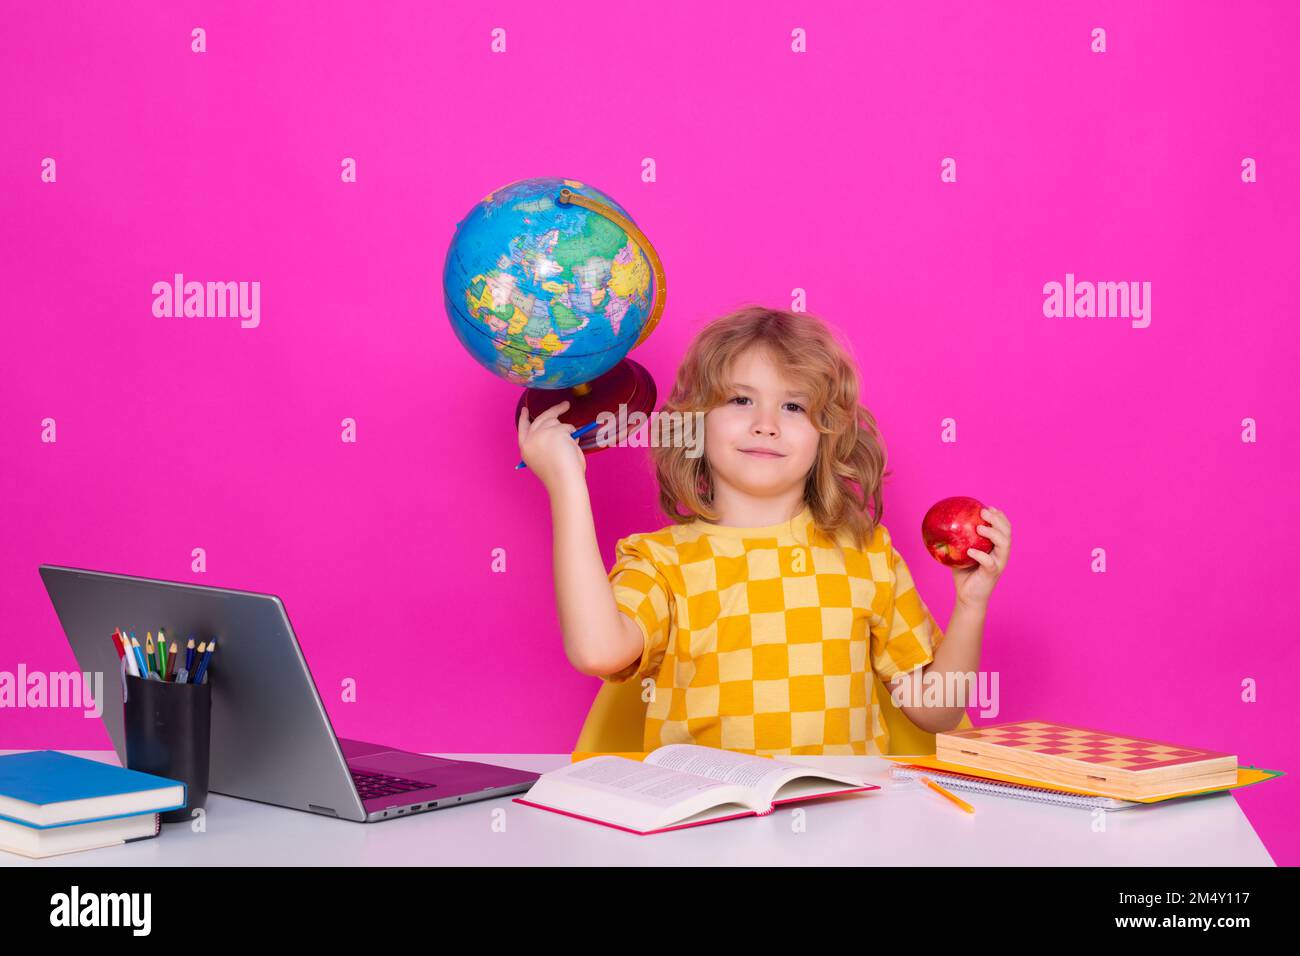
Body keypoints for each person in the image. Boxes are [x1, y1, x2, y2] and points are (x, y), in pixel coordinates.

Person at [517, 305, 1012, 755]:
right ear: (693, 426)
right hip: (710, 831)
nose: (767, 424)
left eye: (794, 406)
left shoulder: (866, 554)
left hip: (846, 830)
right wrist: (566, 483)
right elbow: (597, 650)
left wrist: (970, 606)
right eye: (740, 400)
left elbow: (937, 712)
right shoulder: (662, 562)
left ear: (827, 436)